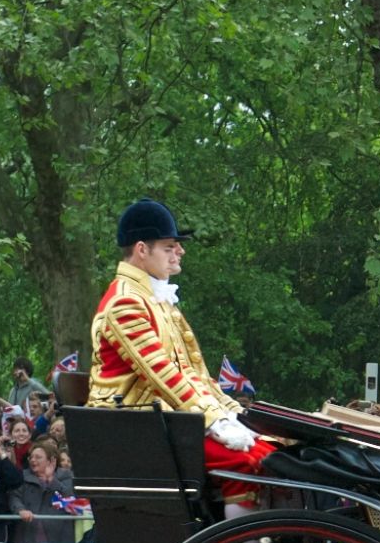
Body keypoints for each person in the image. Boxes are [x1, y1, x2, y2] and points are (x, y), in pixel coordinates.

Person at [89, 198, 276, 513]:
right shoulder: (125, 302)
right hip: (136, 428)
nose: (180, 252)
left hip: (167, 420)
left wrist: (233, 414)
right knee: (244, 461)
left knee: (268, 452)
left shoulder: (156, 299)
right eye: (169, 246)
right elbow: (162, 374)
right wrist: (215, 420)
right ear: (141, 250)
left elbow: (196, 374)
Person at [10, 439, 75, 543]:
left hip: (57, 538)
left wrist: (51, 480)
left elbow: (68, 501)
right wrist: (20, 509)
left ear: (51, 460)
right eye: (31, 457)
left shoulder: (66, 475)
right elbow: (14, 496)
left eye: (38, 457)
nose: (33, 460)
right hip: (28, 535)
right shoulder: (22, 476)